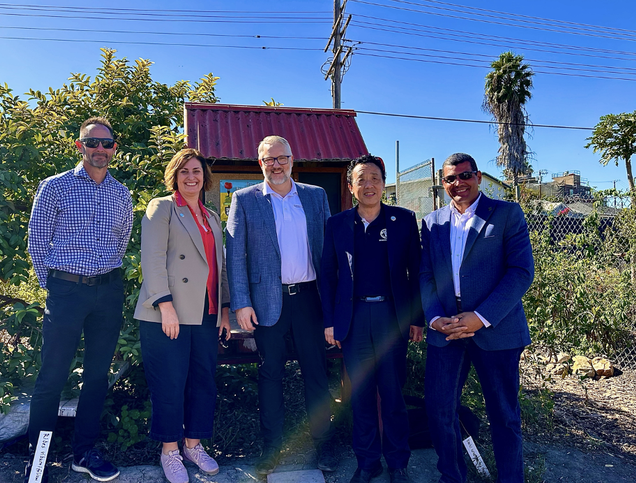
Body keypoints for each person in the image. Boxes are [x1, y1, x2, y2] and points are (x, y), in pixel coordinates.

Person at [26, 117, 133, 482]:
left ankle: (84, 453)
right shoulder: (55, 187)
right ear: (80, 146)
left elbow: (122, 243)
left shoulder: (122, 193)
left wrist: (104, 281)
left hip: (108, 292)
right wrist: (56, 286)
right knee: (51, 376)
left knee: (97, 376)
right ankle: (36, 460)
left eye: (107, 143)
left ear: (114, 148)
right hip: (66, 290)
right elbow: (37, 242)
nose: (100, 149)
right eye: (93, 143)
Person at [225, 135, 337, 476]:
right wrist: (241, 302)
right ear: (260, 163)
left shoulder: (315, 196)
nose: (276, 164)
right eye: (269, 159)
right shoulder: (243, 199)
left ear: (292, 160)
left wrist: (332, 306)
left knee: (316, 375)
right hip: (266, 303)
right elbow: (235, 255)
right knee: (270, 374)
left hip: (309, 299)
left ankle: (324, 444)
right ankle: (271, 448)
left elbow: (328, 253)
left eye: (281, 158)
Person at [420, 153, 534, 483]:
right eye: (450, 179)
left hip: (495, 331)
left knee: (504, 415)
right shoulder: (432, 222)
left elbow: (521, 272)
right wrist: (434, 319)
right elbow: (426, 275)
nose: (459, 183)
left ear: (479, 177)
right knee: (440, 411)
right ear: (443, 184)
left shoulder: (506, 214)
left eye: (465, 175)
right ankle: (452, 477)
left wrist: (481, 317)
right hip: (447, 331)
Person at [320, 154, 424, 483]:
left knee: (392, 393)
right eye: (361, 179)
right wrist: (329, 321)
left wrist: (416, 318)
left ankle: (397, 463)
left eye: (375, 178)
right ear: (351, 187)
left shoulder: (404, 220)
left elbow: (416, 272)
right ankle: (367, 462)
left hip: (391, 316)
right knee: (361, 394)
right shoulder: (337, 224)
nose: (369, 185)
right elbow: (327, 276)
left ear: (384, 184)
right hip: (353, 318)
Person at [134, 148, 231, 483]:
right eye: (184, 171)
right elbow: (152, 259)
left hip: (206, 313)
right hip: (168, 313)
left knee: (204, 383)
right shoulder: (162, 208)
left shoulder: (212, 216)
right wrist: (165, 306)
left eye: (197, 172)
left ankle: (193, 444)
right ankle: (170, 451)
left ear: (205, 178)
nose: (191, 177)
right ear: (174, 176)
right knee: (170, 384)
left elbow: (219, 269)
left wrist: (225, 311)